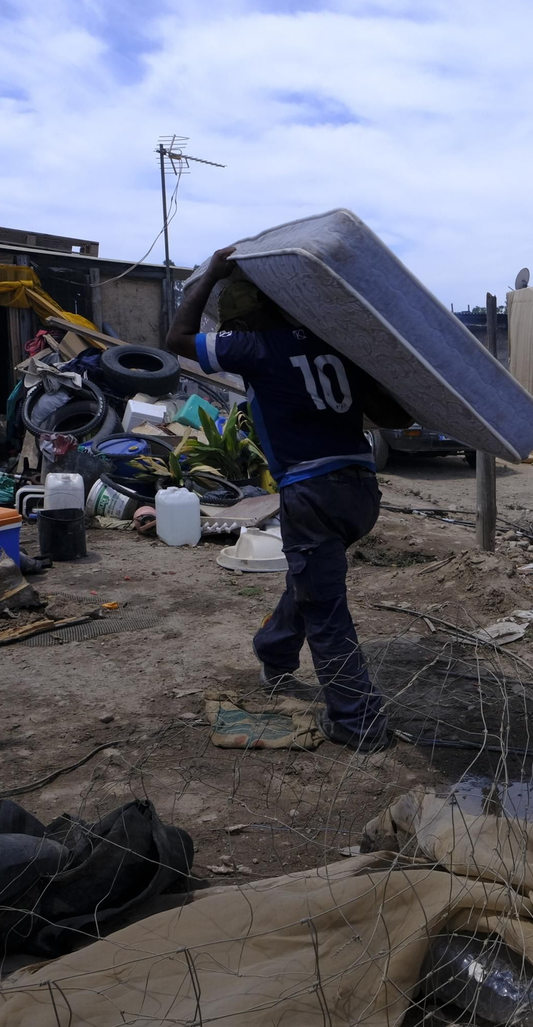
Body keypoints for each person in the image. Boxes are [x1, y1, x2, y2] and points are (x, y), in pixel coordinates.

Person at [166, 245, 410, 752]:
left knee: (325, 610)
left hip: (312, 491)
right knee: (309, 574)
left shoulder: (256, 347)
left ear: (247, 318)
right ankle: (274, 651)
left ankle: (357, 721)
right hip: (360, 491)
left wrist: (210, 273)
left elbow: (175, 339)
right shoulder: (335, 342)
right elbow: (394, 414)